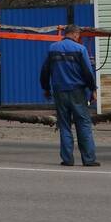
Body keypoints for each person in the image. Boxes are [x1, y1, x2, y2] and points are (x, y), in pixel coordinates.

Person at [40, 24, 99, 167]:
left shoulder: (53, 48)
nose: (78, 38)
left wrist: (46, 88)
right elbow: (87, 72)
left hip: (59, 92)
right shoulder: (80, 49)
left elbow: (45, 71)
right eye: (78, 35)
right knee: (83, 124)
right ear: (74, 34)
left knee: (64, 125)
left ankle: (67, 159)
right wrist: (93, 89)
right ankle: (89, 159)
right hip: (77, 92)